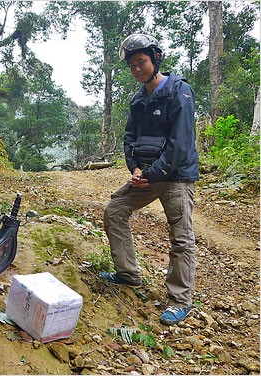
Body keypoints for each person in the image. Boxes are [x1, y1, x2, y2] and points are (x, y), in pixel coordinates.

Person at [101, 34, 199, 325]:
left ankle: (180, 300)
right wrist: (135, 168)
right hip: (146, 175)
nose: (136, 70)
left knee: (181, 238)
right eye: (131, 65)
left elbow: (180, 143)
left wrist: (153, 174)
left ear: (156, 58)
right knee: (114, 210)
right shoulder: (138, 99)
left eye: (140, 62)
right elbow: (130, 137)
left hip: (176, 176)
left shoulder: (179, 92)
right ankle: (128, 274)